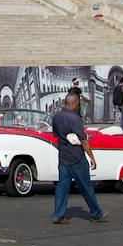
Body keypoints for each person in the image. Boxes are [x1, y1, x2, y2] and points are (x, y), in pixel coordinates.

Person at [49, 88, 106, 224]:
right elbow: (84, 141)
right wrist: (92, 158)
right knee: (86, 187)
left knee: (62, 187)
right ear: (75, 104)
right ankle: (96, 213)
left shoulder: (56, 116)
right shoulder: (75, 119)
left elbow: (56, 135)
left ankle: (58, 215)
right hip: (77, 158)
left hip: (63, 157)